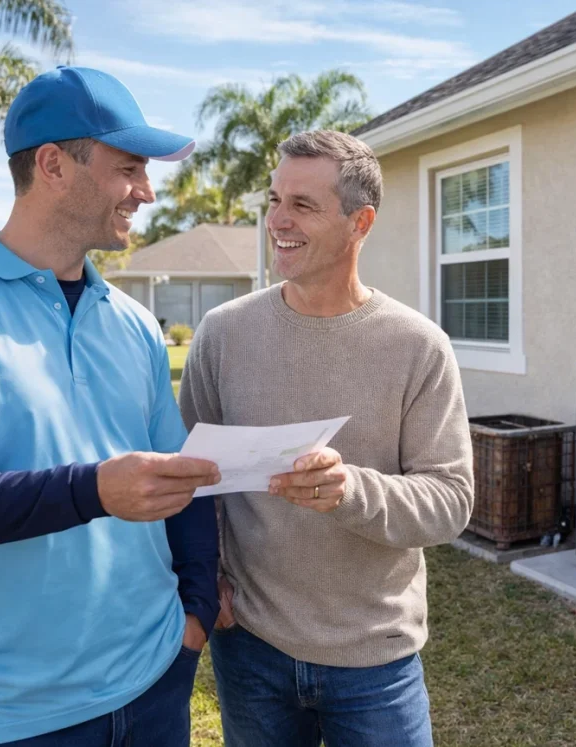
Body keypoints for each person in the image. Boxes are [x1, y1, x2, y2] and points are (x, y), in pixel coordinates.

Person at [0, 66, 223, 746]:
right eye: (129, 169)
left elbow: (185, 479)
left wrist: (194, 613)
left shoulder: (136, 326)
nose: (145, 192)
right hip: (3, 717)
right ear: (54, 164)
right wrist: (94, 489)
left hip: (153, 687)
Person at [179, 129, 474, 746]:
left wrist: (351, 491)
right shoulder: (223, 334)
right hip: (251, 649)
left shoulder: (418, 347)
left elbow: (450, 500)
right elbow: (189, 479)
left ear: (359, 222)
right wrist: (207, 580)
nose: (278, 221)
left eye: (304, 206)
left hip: (376, 659)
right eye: (274, 199)